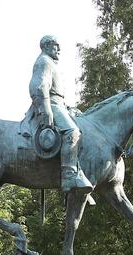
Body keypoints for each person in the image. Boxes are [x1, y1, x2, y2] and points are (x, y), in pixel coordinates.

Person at [28, 35, 93, 196]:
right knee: (73, 132)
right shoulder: (44, 61)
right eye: (56, 45)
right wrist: (45, 110)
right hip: (50, 104)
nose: (59, 49)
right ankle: (68, 175)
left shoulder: (50, 63)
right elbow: (39, 86)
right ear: (47, 46)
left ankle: (79, 174)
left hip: (59, 104)